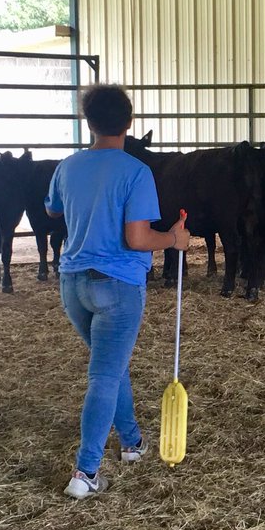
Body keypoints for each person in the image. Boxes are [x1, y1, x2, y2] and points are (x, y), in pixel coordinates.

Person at [46, 84, 190, 500]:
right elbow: (138, 238)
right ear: (129, 122)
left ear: (87, 121)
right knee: (105, 375)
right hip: (118, 285)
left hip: (73, 283)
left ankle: (131, 442)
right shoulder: (135, 172)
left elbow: (53, 208)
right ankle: (85, 470)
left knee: (111, 365)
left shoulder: (68, 166)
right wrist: (175, 239)